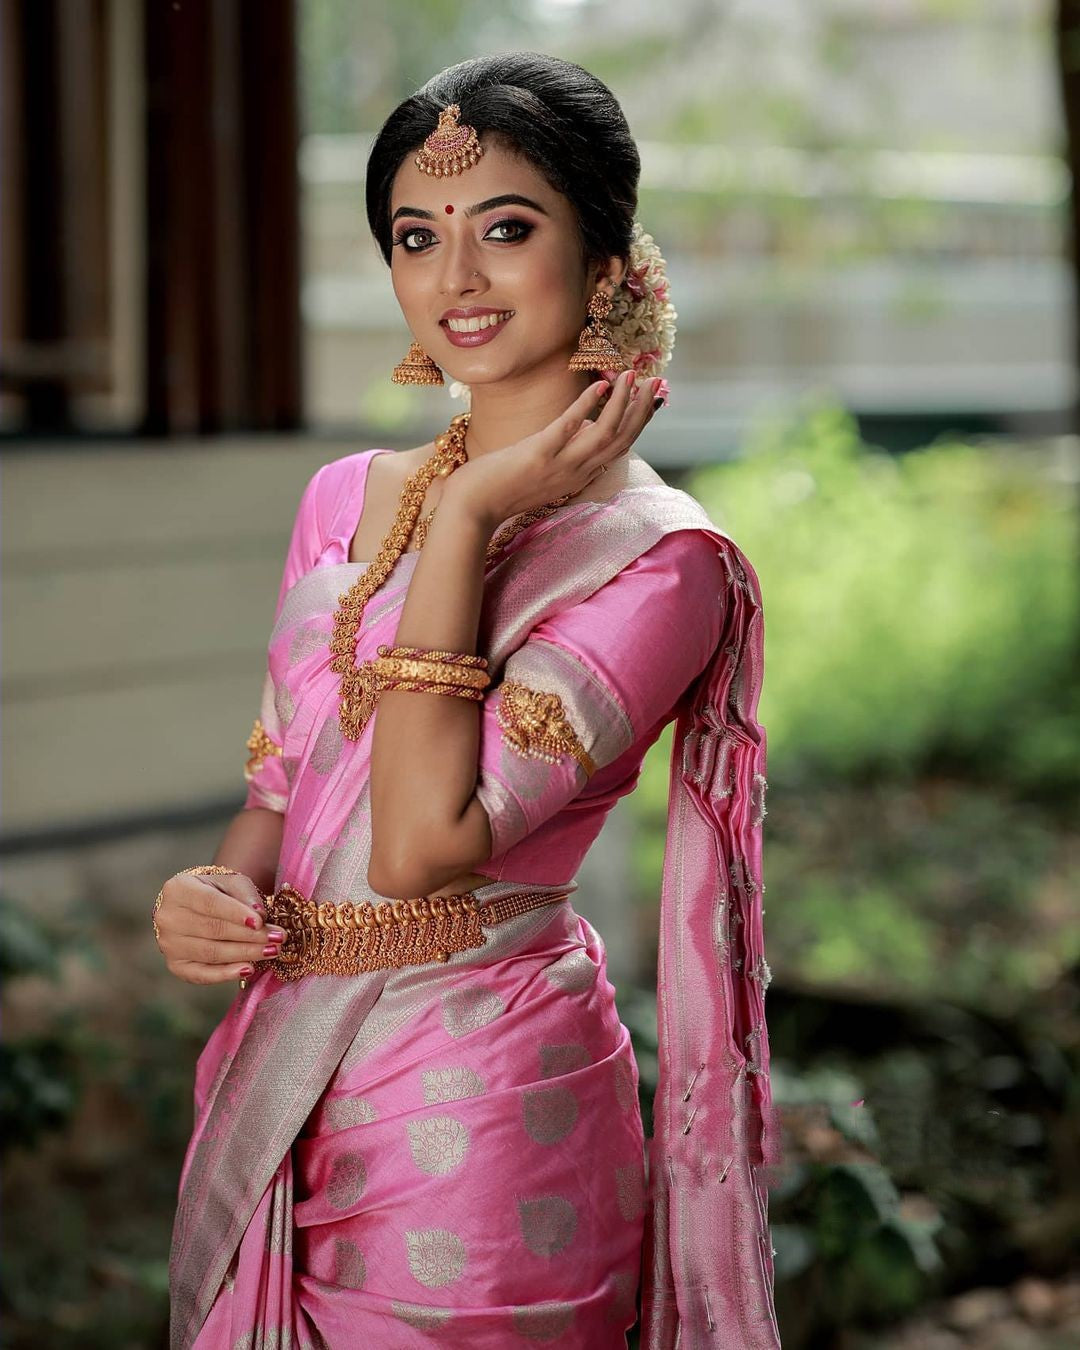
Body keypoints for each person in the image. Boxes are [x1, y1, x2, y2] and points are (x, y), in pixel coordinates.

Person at [153, 52, 782, 1350]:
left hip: (488, 1122)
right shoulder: (340, 496)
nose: (456, 277)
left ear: (608, 262)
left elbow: (420, 843)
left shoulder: (663, 566)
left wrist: (470, 516)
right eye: (415, 235)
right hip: (290, 1080)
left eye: (505, 227)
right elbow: (283, 796)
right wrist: (214, 892)